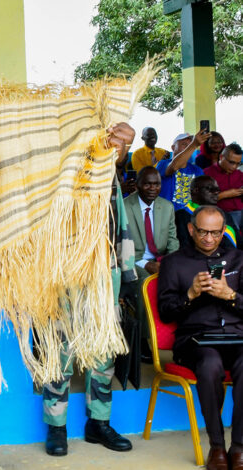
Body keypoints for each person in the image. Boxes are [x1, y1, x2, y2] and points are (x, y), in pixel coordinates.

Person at [43, 122, 137, 457]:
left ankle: (98, 423)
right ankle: (56, 428)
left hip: (104, 273)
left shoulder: (108, 174)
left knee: (103, 353)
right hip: (64, 274)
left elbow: (120, 223)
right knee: (61, 353)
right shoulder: (55, 172)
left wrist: (127, 275)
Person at [158, 205, 243, 470]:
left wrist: (230, 296)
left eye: (216, 233)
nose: (209, 238)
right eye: (203, 232)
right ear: (191, 229)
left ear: (223, 231)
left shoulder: (238, 259)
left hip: (236, 337)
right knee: (209, 364)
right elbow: (165, 312)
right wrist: (190, 295)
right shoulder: (174, 262)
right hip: (195, 340)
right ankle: (217, 447)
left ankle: (238, 447)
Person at [121, 166, 179, 340]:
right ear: (137, 184)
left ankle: (174, 335)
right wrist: (146, 264)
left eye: (157, 184)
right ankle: (147, 339)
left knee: (182, 278)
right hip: (133, 260)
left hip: (161, 259)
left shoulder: (166, 207)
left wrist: (170, 264)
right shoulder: (125, 206)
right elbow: (120, 246)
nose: (153, 188)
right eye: (147, 184)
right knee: (147, 284)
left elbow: (172, 240)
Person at [176, 175, 240, 250]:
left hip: (231, 258)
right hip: (199, 259)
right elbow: (184, 245)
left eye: (217, 190)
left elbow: (238, 241)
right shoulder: (181, 215)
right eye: (211, 189)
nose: (216, 193)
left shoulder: (224, 214)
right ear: (196, 190)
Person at [156, 130, 210, 210]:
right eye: (184, 144)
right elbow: (174, 167)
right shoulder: (163, 164)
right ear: (173, 147)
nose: (189, 148)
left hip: (188, 216)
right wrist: (193, 145)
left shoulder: (197, 170)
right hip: (166, 215)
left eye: (190, 145)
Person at [204, 143, 243, 229]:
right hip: (219, 215)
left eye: (238, 164)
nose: (234, 167)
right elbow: (202, 201)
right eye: (231, 162)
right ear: (221, 157)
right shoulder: (207, 174)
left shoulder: (240, 175)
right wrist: (225, 194)